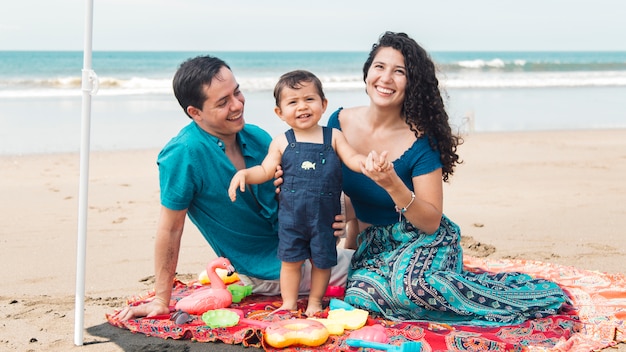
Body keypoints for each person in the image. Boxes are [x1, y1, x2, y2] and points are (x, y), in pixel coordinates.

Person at [327, 31, 569, 325]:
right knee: (361, 295)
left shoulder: (421, 142)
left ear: (411, 83)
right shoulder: (337, 123)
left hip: (422, 240)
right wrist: (348, 246)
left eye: (399, 71)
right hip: (373, 248)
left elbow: (430, 221)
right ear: (367, 72)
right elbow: (347, 194)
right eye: (379, 67)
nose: (386, 78)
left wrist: (392, 184)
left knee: (412, 290)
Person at [114, 56, 354, 321]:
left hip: (304, 236)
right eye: (222, 102)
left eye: (237, 91)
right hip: (269, 268)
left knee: (361, 201)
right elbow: (170, 228)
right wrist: (162, 299)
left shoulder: (255, 136)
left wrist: (335, 216)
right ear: (195, 112)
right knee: (371, 269)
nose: (237, 104)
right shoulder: (183, 153)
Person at [228, 70, 390, 315]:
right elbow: (265, 169)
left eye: (309, 99)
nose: (302, 107)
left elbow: (352, 158)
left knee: (322, 262)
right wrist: (244, 174)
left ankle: (315, 301)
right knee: (290, 262)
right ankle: (289, 303)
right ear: (279, 113)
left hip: (323, 219)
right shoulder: (282, 141)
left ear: (323, 104)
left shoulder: (333, 137)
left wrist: (366, 164)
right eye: (293, 102)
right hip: (292, 219)